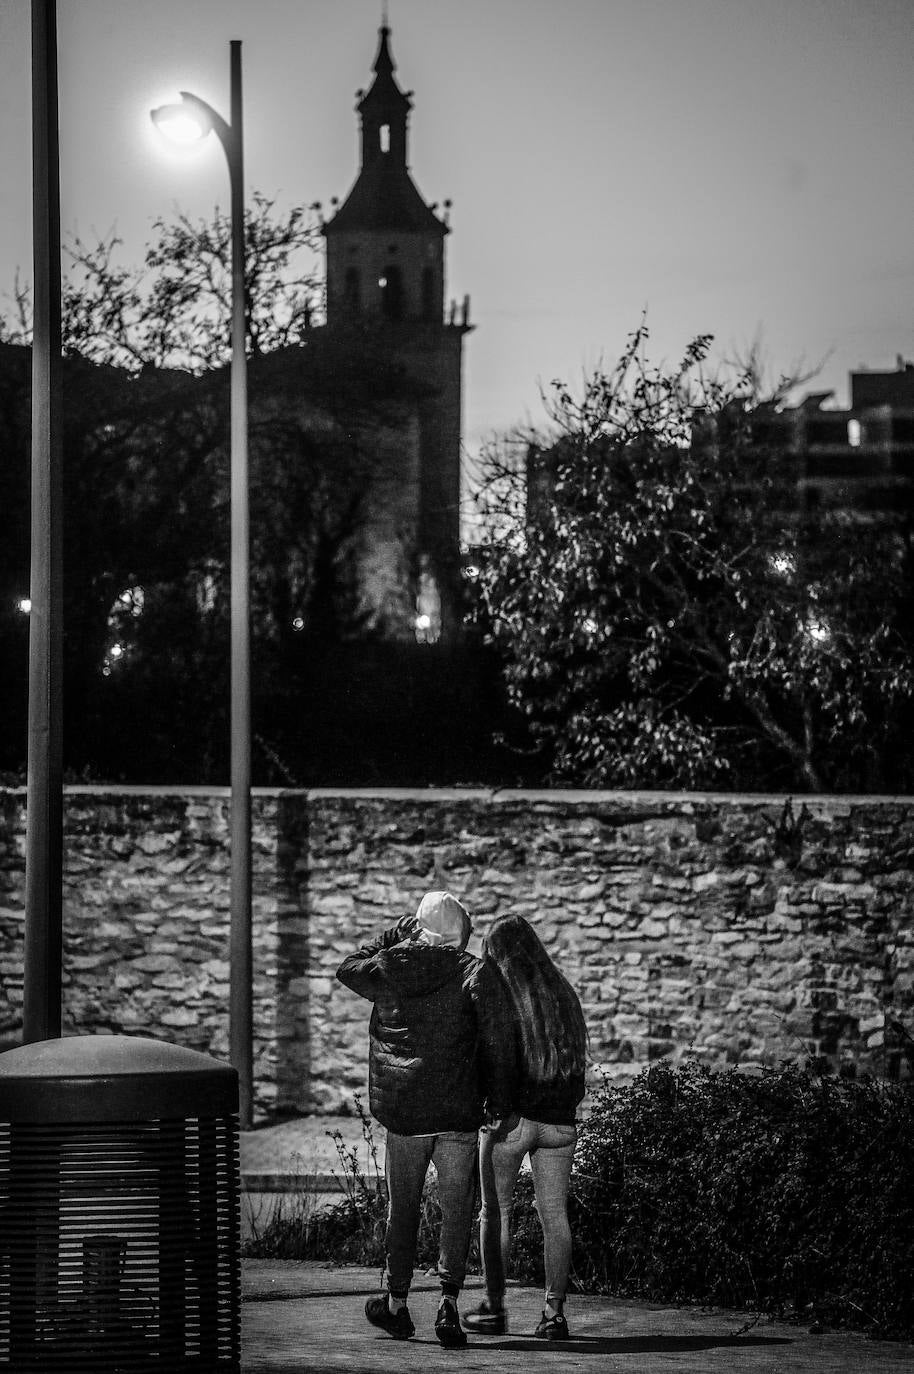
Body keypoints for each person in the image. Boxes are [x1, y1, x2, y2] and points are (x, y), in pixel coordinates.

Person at [336, 890, 513, 1347]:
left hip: (406, 1114)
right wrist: (496, 1099)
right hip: (456, 1113)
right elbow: (495, 1042)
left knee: (403, 1211)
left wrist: (396, 934)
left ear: (417, 927)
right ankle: (448, 1304)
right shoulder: (474, 972)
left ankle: (396, 1303)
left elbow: (348, 967)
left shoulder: (390, 966)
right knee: (457, 1211)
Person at [462, 914, 588, 1341]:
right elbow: (577, 1066)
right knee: (555, 1216)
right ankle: (554, 1314)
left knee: (495, 1213)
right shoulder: (564, 994)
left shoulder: (503, 997)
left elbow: (496, 1060)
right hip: (559, 1124)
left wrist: (496, 1111)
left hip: (512, 1121)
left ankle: (494, 1307)